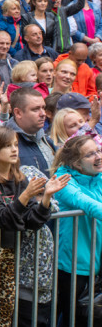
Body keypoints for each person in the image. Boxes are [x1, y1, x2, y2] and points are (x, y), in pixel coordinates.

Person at [0, 125, 67, 327]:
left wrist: (46, 197)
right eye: (7, 146)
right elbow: (2, 217)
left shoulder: (19, 179)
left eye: (15, 145)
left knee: (7, 304)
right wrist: (26, 195)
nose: (14, 149)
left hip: (10, 247)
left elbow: (33, 221)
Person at [52, 135, 102, 327]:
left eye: (98, 150)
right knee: (74, 319)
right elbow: (85, 203)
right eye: (90, 154)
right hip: (73, 266)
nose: (98, 156)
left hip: (97, 265)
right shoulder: (63, 179)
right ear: (76, 163)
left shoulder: (98, 176)